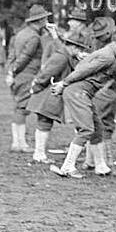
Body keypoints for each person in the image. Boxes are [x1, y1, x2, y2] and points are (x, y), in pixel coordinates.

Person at [49, 22, 116, 178]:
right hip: (78, 92)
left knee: (97, 128)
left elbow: (84, 65)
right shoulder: (107, 56)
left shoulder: (109, 51)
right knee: (86, 129)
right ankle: (67, 166)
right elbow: (81, 71)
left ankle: (101, 166)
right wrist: (63, 84)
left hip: (81, 92)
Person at [29, 32, 90, 163]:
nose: (80, 51)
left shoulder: (65, 55)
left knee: (45, 122)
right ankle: (39, 154)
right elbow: (46, 74)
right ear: (72, 46)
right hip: (47, 94)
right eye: (79, 48)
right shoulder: (61, 57)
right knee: (44, 122)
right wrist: (36, 87)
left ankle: (38, 154)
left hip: (48, 93)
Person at [6, 4, 51, 150]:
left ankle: (17, 142)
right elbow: (24, 57)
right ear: (40, 20)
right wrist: (13, 71)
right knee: (22, 109)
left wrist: (10, 72)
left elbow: (12, 55)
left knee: (19, 107)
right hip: (27, 75)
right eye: (45, 18)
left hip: (19, 75)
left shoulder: (21, 33)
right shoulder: (34, 37)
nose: (46, 21)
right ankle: (20, 143)